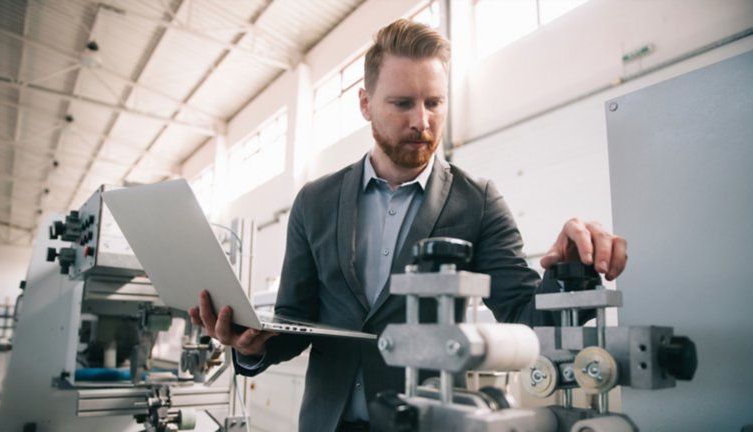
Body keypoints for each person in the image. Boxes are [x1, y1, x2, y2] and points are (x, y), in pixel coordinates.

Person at [189, 18, 627, 432]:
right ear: (365, 104)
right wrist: (251, 345)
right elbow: (294, 319)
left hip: (424, 422)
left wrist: (574, 274)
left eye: (434, 102)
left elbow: (523, 315)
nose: (422, 121)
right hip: (327, 422)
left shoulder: (478, 202)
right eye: (402, 104)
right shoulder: (314, 201)